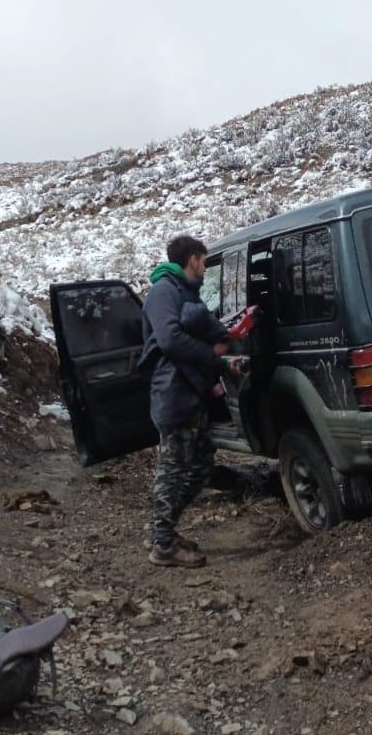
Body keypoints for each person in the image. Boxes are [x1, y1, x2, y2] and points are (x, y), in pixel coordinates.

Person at [139, 234, 243, 567]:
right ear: (193, 259)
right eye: (203, 259)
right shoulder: (163, 292)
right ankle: (164, 544)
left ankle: (165, 532)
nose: (205, 265)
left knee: (200, 465)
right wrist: (212, 352)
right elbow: (170, 340)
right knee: (172, 470)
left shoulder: (183, 292)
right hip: (173, 395)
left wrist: (223, 359)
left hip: (190, 394)